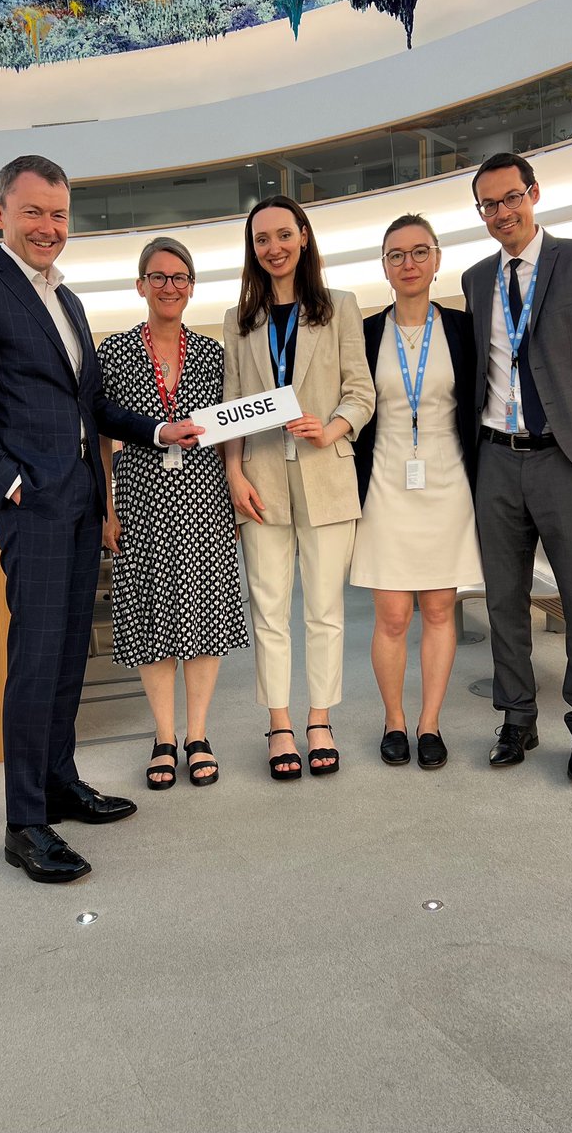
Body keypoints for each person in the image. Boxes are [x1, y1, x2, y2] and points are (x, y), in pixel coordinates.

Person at [0, 154, 202, 884]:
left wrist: (154, 430)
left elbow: (90, 409)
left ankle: (60, 782)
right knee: (33, 663)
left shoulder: (69, 302)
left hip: (82, 502)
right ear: (0, 214)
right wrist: (8, 483)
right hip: (36, 508)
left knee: (65, 662)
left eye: (58, 214)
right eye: (33, 212)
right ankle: (25, 822)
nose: (49, 227)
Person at [461, 152, 572, 782]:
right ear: (480, 212)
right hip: (497, 462)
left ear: (534, 194)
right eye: (489, 204)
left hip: (570, 461)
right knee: (504, 602)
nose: (502, 212)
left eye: (511, 198)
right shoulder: (477, 279)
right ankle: (516, 718)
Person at [223, 196, 375, 780]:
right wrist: (233, 474)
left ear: (304, 237)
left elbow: (361, 392)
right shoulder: (240, 322)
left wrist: (331, 426)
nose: (274, 248)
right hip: (261, 480)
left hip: (326, 473)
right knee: (268, 608)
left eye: (284, 235)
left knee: (325, 610)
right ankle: (280, 723)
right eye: (262, 239)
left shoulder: (339, 308)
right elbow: (233, 408)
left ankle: (319, 720)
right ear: (253, 249)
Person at [98, 238, 248, 790]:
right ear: (141, 286)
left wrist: (234, 485)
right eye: (159, 277)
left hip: (203, 499)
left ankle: (198, 734)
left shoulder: (212, 354)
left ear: (191, 287)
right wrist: (106, 507)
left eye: (180, 277)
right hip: (139, 499)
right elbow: (102, 434)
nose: (170, 286)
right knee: (149, 616)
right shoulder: (112, 353)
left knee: (204, 617)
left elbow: (229, 428)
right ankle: (164, 735)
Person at [352, 215, 481, 769]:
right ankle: (394, 721)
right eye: (396, 255)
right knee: (392, 616)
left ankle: (429, 723)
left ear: (436, 260)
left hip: (448, 483)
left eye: (419, 252)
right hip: (384, 483)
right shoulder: (363, 333)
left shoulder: (463, 329)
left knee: (437, 610)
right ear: (384, 265)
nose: (409, 264)